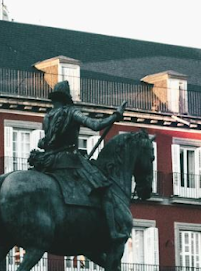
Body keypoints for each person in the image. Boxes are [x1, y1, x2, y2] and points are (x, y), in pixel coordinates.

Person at [28, 84, 131, 244]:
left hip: (49, 161)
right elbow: (95, 125)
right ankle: (113, 231)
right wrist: (115, 116)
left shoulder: (47, 117)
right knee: (104, 188)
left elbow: (45, 142)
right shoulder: (72, 112)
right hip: (68, 160)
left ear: (55, 99)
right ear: (66, 98)